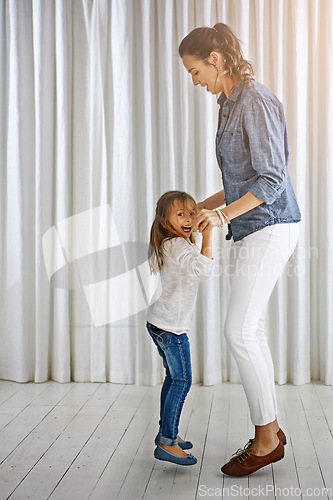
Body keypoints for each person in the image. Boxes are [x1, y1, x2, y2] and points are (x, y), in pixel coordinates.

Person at [179, 23, 301, 476]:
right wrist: (197, 209)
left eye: (194, 71)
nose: (193, 80)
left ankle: (266, 438)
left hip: (271, 225)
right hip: (251, 227)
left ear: (215, 59)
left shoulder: (257, 100)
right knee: (250, 331)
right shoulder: (227, 104)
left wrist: (223, 217)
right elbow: (239, 182)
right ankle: (270, 428)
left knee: (238, 330)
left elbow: (271, 180)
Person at [146, 190, 213, 466]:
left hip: (159, 323)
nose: (188, 218)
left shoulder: (170, 243)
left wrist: (202, 220)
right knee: (182, 380)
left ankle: (167, 432)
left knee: (173, 379)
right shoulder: (178, 245)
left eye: (191, 212)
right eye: (180, 214)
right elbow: (204, 269)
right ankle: (167, 441)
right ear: (165, 221)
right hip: (172, 329)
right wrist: (209, 235)